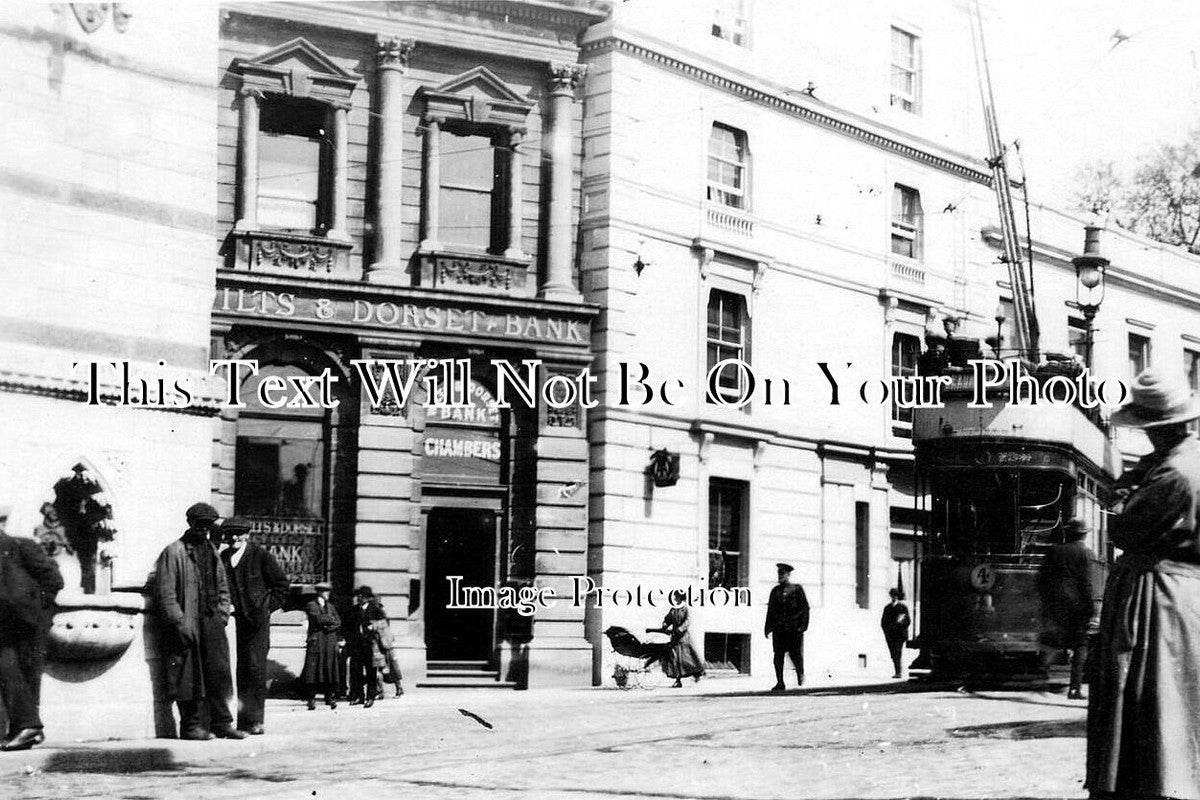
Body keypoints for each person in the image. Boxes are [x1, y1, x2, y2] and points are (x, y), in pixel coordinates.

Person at [1087, 369, 1200, 800]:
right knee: (1178, 698)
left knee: (1145, 696)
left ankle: (1151, 784)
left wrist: (1124, 495)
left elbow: (1124, 529)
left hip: (1156, 597)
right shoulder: (1186, 461)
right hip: (1184, 596)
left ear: (1163, 428)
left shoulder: (1174, 473)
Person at [152, 502, 246, 740]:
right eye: (200, 524)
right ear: (190, 523)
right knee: (189, 677)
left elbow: (222, 586)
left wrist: (222, 614)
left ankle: (222, 723)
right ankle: (191, 726)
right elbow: (166, 593)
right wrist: (179, 622)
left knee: (219, 674)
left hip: (212, 622)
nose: (204, 529)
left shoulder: (211, 550)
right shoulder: (174, 552)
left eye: (208, 525)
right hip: (188, 624)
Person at [0, 504, 64, 751]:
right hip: (6, 626)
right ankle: (28, 729)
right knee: (13, 671)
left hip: (30, 622)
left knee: (23, 671)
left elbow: (54, 579)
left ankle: (28, 727)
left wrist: (37, 608)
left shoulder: (21, 546)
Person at [218, 516, 290, 735]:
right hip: (234, 623)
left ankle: (255, 721)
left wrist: (265, 609)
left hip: (256, 624)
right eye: (229, 534)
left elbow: (281, 586)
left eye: (238, 534)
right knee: (239, 670)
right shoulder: (223, 557)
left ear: (247, 535)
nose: (233, 538)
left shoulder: (260, 556)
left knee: (255, 669)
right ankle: (242, 721)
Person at [1037, 518, 1098, 700]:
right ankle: (1074, 688)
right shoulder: (1085, 553)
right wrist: (1091, 608)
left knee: (1052, 641)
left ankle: (1041, 678)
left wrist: (1046, 601)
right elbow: (1086, 583)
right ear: (1084, 535)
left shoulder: (1054, 550)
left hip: (1055, 603)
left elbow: (1042, 579)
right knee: (1080, 645)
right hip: (1076, 605)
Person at [765, 562, 809, 691]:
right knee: (778, 656)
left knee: (795, 654)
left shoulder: (797, 589)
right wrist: (767, 628)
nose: (780, 576)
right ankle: (780, 682)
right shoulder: (775, 591)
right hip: (779, 629)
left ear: (788, 575)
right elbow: (770, 610)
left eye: (783, 574)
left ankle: (800, 673)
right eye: (779, 573)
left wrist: (803, 626)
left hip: (794, 629)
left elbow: (805, 608)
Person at [356, 587, 405, 701]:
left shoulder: (377, 609)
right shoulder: (368, 609)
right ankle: (380, 691)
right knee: (380, 667)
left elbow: (384, 624)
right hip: (377, 643)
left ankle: (396, 688)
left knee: (387, 667)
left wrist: (373, 626)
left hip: (381, 643)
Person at [301, 582, 340, 710]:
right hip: (317, 641)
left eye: (328, 591)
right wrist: (330, 620)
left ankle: (329, 697)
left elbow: (338, 622)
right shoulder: (311, 605)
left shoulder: (331, 606)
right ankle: (311, 699)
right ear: (319, 592)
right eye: (325, 591)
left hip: (329, 642)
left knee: (329, 670)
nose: (327, 594)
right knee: (313, 672)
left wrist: (328, 625)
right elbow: (317, 619)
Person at [652, 605, 704, 688]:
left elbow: (687, 621)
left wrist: (680, 629)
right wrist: (665, 625)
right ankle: (678, 680)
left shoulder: (686, 609)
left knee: (688, 659)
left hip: (684, 638)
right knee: (675, 659)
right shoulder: (673, 609)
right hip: (675, 638)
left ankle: (697, 673)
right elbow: (667, 619)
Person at [880, 588, 910, 679]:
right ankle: (897, 671)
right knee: (893, 653)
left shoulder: (902, 607)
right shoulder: (887, 608)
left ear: (897, 596)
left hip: (900, 634)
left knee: (897, 652)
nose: (893, 597)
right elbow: (883, 622)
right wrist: (886, 632)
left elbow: (907, 621)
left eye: (895, 595)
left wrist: (900, 625)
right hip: (890, 634)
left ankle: (898, 672)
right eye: (892, 595)